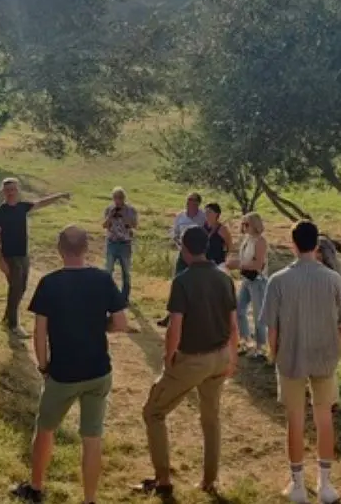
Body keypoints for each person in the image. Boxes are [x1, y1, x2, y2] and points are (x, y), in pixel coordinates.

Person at [11, 226, 130, 504]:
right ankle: (89, 499)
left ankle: (36, 487)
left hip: (63, 373)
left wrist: (43, 366)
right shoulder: (102, 279)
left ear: (59, 250)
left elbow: (40, 332)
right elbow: (121, 323)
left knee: (46, 429)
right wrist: (102, 326)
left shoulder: (50, 283)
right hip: (98, 371)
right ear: (87, 248)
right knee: (92, 438)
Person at [134, 226, 238, 499]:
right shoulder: (224, 278)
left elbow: (174, 327)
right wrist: (232, 358)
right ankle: (209, 481)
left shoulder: (183, 281)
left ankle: (163, 479)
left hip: (194, 359)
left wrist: (169, 359)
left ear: (184, 247)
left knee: (153, 412)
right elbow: (234, 324)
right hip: (220, 356)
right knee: (211, 418)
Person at [261, 220, 341, 504]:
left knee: (295, 420)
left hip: (291, 357)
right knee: (324, 418)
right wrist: (335, 348)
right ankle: (325, 484)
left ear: (292, 243)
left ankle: (298, 484)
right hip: (324, 358)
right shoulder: (332, 279)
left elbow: (271, 329)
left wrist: (274, 353)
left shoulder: (278, 280)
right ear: (316, 245)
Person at [0, 177, 71, 338]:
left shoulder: (22, 207)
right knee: (15, 289)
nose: (11, 193)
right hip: (10, 257)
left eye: (13, 189)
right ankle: (13, 325)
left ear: (18, 190)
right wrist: (1, 261)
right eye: (7, 190)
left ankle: (8, 318)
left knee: (22, 288)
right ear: (3, 192)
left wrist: (59, 196)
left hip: (23, 254)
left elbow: (41, 203)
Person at [156, 193, 206, 328]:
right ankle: (171, 315)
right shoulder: (180, 216)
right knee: (177, 282)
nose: (189, 203)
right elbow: (174, 231)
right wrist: (176, 238)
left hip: (196, 255)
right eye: (188, 200)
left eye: (192, 200)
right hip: (182, 253)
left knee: (196, 284)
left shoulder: (203, 217)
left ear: (198, 203)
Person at [227, 212, 269, 359]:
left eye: (247, 224)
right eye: (243, 224)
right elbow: (245, 259)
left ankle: (261, 348)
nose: (244, 227)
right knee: (239, 309)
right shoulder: (246, 239)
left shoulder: (260, 241)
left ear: (255, 225)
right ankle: (246, 341)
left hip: (258, 280)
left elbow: (258, 264)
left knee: (259, 315)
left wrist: (238, 264)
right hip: (246, 278)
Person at [102, 187, 139, 303]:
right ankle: (107, 294)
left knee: (126, 272)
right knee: (108, 270)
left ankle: (124, 297)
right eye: (115, 197)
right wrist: (110, 216)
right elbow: (104, 225)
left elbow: (134, 224)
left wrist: (124, 216)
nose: (118, 200)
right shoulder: (109, 209)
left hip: (125, 243)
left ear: (124, 198)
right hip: (112, 242)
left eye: (120, 197)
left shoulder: (131, 210)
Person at [202, 203, 232, 268]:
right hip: (204, 263)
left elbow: (230, 245)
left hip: (218, 263)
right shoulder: (203, 227)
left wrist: (226, 259)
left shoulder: (222, 229)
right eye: (206, 211)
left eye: (209, 212)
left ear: (217, 214)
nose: (207, 214)